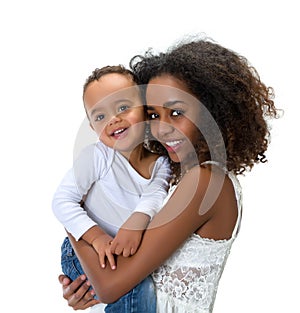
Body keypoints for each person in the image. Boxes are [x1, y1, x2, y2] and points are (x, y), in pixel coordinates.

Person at [59, 37, 279, 312]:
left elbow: (111, 285)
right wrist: (85, 285)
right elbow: (115, 281)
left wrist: (74, 224)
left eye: (176, 112)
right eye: (153, 115)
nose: (162, 129)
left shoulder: (204, 181)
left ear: (211, 111)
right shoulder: (173, 176)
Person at [52, 65, 171, 312]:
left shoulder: (161, 162)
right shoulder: (97, 156)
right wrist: (97, 237)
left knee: (139, 286)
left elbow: (156, 192)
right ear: (92, 127)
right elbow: (63, 200)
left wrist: (137, 220)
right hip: (85, 250)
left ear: (146, 110)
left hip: (123, 255)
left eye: (123, 107)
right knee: (137, 287)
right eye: (100, 116)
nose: (113, 119)